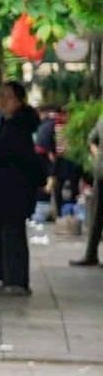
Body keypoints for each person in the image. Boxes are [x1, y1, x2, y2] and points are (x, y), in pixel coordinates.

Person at [0, 80, 44, 296]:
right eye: (1, 96)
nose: (2, 101)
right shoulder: (6, 122)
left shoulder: (20, 126)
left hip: (15, 190)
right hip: (3, 190)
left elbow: (25, 159)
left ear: (19, 101)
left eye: (7, 97)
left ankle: (17, 280)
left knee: (14, 235)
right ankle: (5, 276)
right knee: (3, 234)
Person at [74, 111, 102, 268]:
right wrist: (98, 154)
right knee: (96, 216)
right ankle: (91, 254)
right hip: (100, 174)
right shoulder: (101, 120)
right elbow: (92, 139)